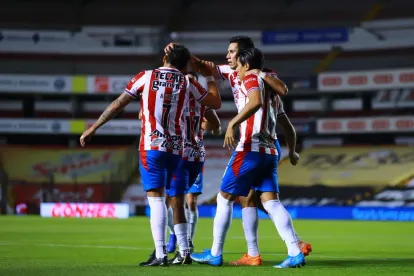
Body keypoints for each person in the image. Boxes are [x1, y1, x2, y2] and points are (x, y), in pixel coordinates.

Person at [165, 36, 311, 266]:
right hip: (270, 148)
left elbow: (274, 92)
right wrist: (180, 52)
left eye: (232, 52)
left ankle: (215, 253)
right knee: (264, 201)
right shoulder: (248, 78)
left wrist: (232, 123)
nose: (227, 56)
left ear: (244, 57)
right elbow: (205, 66)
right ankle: (290, 250)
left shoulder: (254, 77)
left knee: (224, 198)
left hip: (250, 145)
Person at [80, 44, 221, 267]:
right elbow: (215, 103)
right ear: (185, 65)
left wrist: (94, 127)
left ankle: (161, 253)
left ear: (165, 58)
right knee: (177, 201)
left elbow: (118, 104)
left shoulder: (145, 77)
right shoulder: (187, 81)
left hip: (152, 146)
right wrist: (209, 75)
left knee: (156, 200)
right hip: (177, 150)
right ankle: (184, 250)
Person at [167, 71, 221, 264]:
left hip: (187, 154)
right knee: (171, 201)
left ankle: (186, 243)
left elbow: (215, 125)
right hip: (186, 155)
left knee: (186, 201)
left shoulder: (197, 102)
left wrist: (198, 125)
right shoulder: (176, 99)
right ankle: (176, 235)